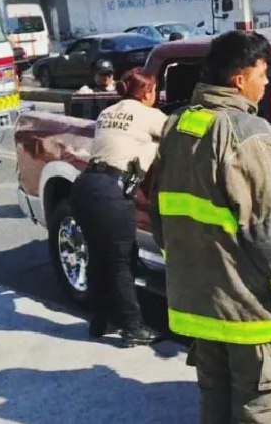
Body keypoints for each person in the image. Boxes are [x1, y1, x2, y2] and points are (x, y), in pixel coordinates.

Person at [150, 30, 271, 424]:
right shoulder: (248, 136)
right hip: (252, 317)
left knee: (215, 408)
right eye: (263, 74)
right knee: (260, 412)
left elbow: (163, 218)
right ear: (239, 78)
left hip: (204, 310)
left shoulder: (178, 126)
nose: (267, 85)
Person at [75, 68, 167, 347]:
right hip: (112, 192)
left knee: (99, 257)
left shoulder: (107, 112)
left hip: (85, 186)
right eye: (155, 90)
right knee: (122, 261)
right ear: (147, 92)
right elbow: (179, 136)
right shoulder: (150, 115)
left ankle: (100, 321)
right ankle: (133, 327)